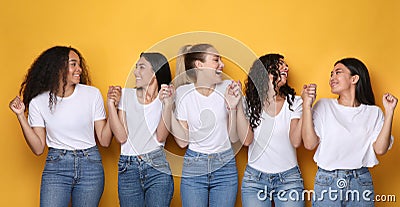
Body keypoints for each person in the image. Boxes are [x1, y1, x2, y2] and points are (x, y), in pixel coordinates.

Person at [9, 46, 112, 207]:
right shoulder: (38, 102)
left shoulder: (92, 94)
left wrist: (113, 107)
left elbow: (105, 141)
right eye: (73, 64)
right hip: (56, 166)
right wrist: (21, 115)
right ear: (58, 68)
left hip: (90, 166)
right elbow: (38, 148)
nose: (79, 69)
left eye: (79, 64)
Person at [301, 57, 397, 206]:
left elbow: (380, 149)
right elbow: (309, 144)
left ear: (354, 78)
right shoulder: (323, 106)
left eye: (338, 72)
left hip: (361, 182)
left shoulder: (374, 112)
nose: (332, 77)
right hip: (327, 182)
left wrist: (389, 112)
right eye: (331, 74)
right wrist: (307, 106)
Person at [228, 54, 305, 207]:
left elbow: (296, 141)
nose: (286, 68)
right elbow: (247, 140)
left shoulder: (295, 102)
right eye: (280, 65)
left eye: (285, 65)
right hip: (255, 180)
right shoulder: (248, 102)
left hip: (289, 179)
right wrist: (235, 107)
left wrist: (307, 106)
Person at [170, 43, 239, 207]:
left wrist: (233, 107)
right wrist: (167, 107)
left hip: (225, 166)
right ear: (199, 65)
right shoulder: (183, 93)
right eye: (216, 60)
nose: (222, 64)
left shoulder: (227, 89)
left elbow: (234, 137)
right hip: (194, 165)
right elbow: (182, 142)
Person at [107, 52, 174, 207]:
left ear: (155, 71)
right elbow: (121, 137)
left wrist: (168, 105)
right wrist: (111, 104)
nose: (136, 72)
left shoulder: (165, 98)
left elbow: (161, 137)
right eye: (136, 67)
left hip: (157, 166)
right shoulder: (126, 95)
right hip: (128, 167)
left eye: (141, 67)